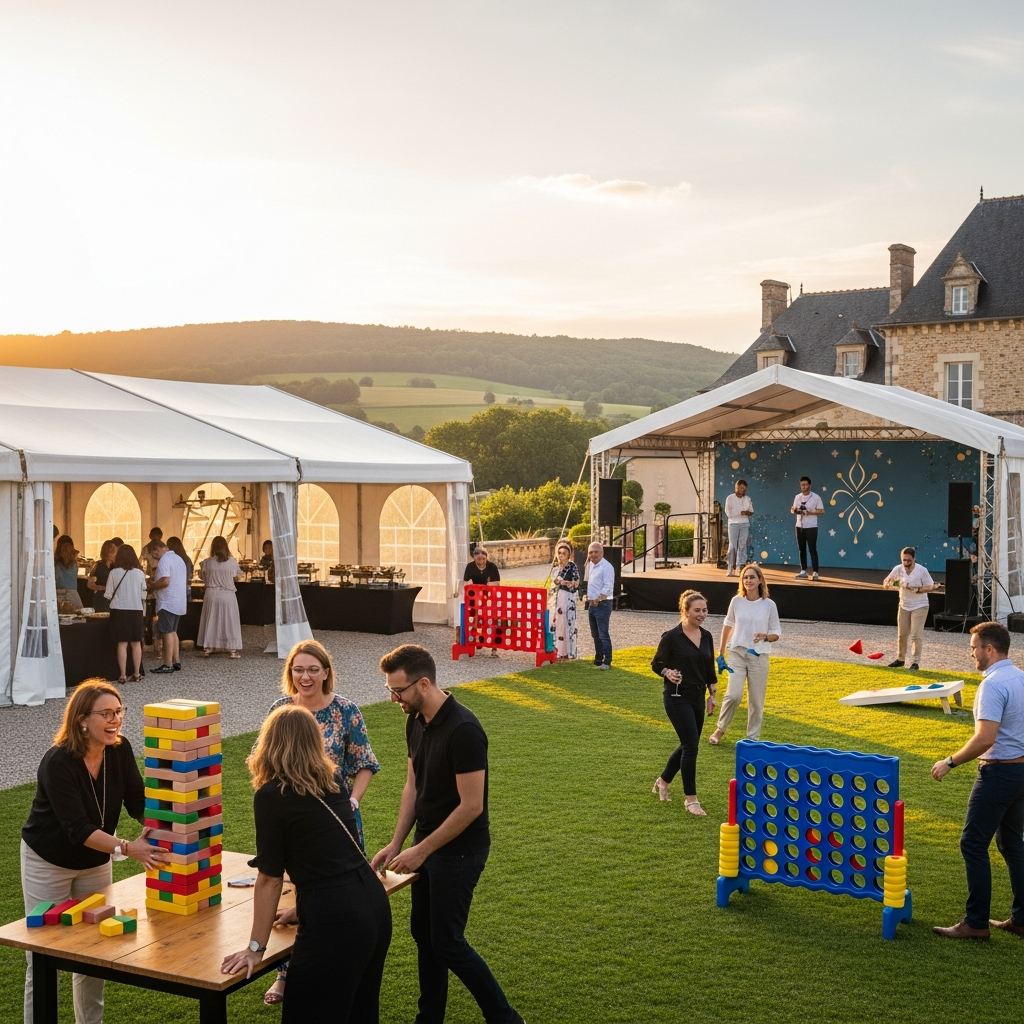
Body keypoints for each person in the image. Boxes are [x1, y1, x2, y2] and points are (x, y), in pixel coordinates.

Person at [371, 644, 525, 1024]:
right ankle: (430, 1018)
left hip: (460, 851)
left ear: (424, 683)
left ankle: (506, 1019)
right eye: (390, 690)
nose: (394, 699)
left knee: (448, 942)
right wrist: (396, 843)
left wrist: (421, 851)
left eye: (399, 690)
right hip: (427, 844)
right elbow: (413, 787)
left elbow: (471, 806)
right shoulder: (415, 721)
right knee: (424, 937)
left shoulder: (465, 730)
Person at [222, 704, 392, 1019]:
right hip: (372, 903)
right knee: (359, 1013)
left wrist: (255, 949)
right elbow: (334, 855)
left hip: (336, 918)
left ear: (269, 743)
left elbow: (270, 878)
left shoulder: (272, 796)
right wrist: (301, 909)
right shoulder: (335, 781)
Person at [21, 680, 165, 1022]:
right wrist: (129, 848)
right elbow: (78, 828)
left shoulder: (120, 749)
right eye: (106, 713)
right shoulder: (58, 762)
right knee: (44, 955)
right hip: (48, 861)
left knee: (93, 952)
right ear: (82, 719)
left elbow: (137, 801)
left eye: (118, 712)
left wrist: (165, 826)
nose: (115, 719)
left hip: (96, 860)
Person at [260, 639, 381, 1007]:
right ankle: (284, 972)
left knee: (326, 891)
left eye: (313, 669)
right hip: (293, 820)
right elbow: (263, 757)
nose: (305, 676)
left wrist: (353, 801)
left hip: (335, 817)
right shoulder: (281, 708)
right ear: (290, 673)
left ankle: (323, 964)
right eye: (298, 669)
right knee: (289, 893)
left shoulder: (346, 710)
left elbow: (365, 763)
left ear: (326, 672)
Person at [931, 622, 1024, 940]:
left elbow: (985, 738)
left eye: (973, 647)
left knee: (973, 844)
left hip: (998, 774)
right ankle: (1021, 920)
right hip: (1020, 774)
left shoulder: (994, 684)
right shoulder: (1021, 677)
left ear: (989, 649)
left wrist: (950, 761)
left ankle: (975, 923)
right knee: (1012, 844)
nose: (970, 652)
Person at [651, 590, 718, 813]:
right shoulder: (672, 636)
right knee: (691, 746)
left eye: (704, 610)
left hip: (698, 696)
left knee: (689, 744)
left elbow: (709, 667)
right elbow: (656, 663)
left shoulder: (707, 636)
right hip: (676, 696)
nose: (702, 614)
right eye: (697, 610)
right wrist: (667, 672)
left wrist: (712, 693)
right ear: (686, 611)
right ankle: (691, 799)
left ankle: (663, 781)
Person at [708, 564, 781, 744]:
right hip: (737, 654)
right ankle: (720, 730)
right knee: (734, 694)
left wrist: (764, 636)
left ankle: (752, 739)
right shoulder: (736, 601)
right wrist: (721, 651)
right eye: (745, 577)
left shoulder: (769, 605)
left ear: (760, 580)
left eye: (752, 577)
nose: (748, 580)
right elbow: (728, 624)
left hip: (759, 656)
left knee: (756, 700)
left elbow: (776, 633)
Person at [883, 546, 937, 670]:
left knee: (915, 635)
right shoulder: (898, 569)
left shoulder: (921, 570)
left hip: (920, 605)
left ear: (914, 559)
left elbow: (931, 586)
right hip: (904, 605)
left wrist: (917, 589)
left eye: (909, 561)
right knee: (902, 634)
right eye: (904, 560)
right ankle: (900, 659)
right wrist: (888, 584)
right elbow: (887, 581)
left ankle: (915, 662)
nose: (906, 563)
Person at [104, 544, 147, 683]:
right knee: (136, 642)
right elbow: (144, 594)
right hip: (136, 610)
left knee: (122, 643)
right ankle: (136, 673)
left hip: (119, 610)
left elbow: (108, 594)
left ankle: (122, 675)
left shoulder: (113, 573)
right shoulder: (140, 574)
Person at [197, 536, 243, 658]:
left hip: (211, 593)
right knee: (229, 620)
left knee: (211, 619)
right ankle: (232, 648)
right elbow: (238, 577)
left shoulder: (207, 562)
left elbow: (202, 577)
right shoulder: (232, 562)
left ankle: (208, 647)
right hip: (228, 594)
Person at [148, 539, 186, 674]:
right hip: (179, 601)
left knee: (166, 632)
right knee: (173, 631)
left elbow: (165, 581)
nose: (154, 558)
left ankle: (167, 663)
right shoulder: (178, 559)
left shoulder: (165, 560)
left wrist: (152, 586)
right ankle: (176, 661)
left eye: (154, 555)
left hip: (168, 602)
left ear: (156, 549)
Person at [585, 541, 615, 669]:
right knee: (595, 634)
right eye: (591, 552)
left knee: (603, 634)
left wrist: (598, 599)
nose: (593, 554)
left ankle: (607, 661)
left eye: (596, 552)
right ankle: (598, 658)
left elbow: (608, 587)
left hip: (603, 603)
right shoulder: (591, 565)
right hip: (592, 604)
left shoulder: (606, 567)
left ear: (602, 552)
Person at [790, 476, 824, 580]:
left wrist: (810, 512)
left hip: (812, 526)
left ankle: (815, 572)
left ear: (809, 485)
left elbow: (822, 511)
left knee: (812, 549)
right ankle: (803, 570)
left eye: (805, 484)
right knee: (801, 549)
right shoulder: (797, 497)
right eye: (802, 485)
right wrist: (795, 510)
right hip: (799, 526)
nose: (804, 487)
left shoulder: (816, 497)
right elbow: (793, 510)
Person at [551, 539, 580, 660]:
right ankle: (558, 651)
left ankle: (569, 652)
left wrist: (564, 582)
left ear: (568, 554)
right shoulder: (555, 567)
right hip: (557, 597)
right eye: (560, 553)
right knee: (557, 623)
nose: (562, 555)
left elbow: (576, 582)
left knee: (567, 623)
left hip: (567, 597)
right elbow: (552, 584)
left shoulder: (572, 566)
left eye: (564, 553)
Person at [724, 480, 754, 577]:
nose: (742, 490)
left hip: (745, 524)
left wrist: (747, 513)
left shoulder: (747, 499)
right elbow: (728, 512)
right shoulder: (730, 498)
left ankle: (739, 567)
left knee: (742, 546)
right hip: (733, 524)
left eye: (744, 488)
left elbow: (752, 511)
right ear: (736, 488)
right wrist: (738, 513)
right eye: (741, 488)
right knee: (732, 546)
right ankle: (729, 568)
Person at [86, 540, 118, 612]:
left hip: (112, 599)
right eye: (113, 552)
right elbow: (90, 584)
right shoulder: (98, 565)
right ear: (107, 553)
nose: (115, 555)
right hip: (101, 598)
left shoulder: (114, 567)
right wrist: (102, 588)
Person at [54, 534, 84, 610]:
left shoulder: (54, 562)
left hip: (58, 594)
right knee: (79, 615)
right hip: (73, 594)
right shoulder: (74, 563)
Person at [166, 536, 194, 602]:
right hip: (185, 589)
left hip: (176, 590)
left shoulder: (173, 559)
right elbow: (190, 575)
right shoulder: (187, 559)